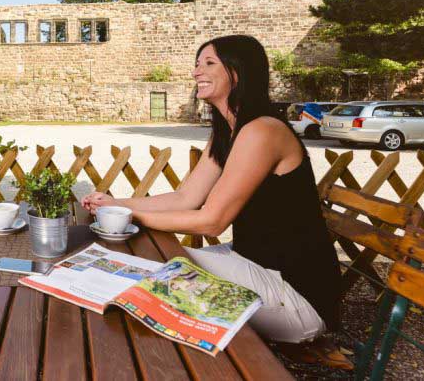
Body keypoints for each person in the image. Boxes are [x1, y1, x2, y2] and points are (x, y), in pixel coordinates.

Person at [83, 35, 348, 367]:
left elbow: (212, 221)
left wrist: (128, 216)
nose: (196, 72)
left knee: (159, 274)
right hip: (253, 264)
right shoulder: (228, 131)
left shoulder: (263, 131)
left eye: (209, 63)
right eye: (197, 63)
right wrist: (116, 202)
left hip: (297, 296)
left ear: (238, 73)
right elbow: (186, 197)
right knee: (156, 266)